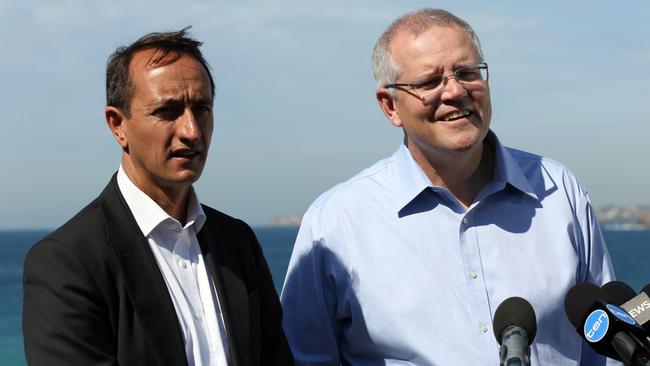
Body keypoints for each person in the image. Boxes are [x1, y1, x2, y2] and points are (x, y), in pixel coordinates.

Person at [281, 8, 618, 365]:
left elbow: (609, 347)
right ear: (389, 107)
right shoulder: (336, 222)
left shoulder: (559, 192)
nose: (455, 91)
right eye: (430, 82)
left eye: (467, 73)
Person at [23, 28, 293, 366]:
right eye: (167, 111)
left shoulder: (238, 243)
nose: (191, 131)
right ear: (118, 124)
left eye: (202, 108)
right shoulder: (68, 262)